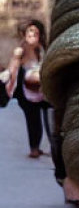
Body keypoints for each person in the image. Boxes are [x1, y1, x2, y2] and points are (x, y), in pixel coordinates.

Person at [5, 20, 51, 158]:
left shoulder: (43, 48)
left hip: (44, 89)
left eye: (36, 33)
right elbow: (13, 70)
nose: (33, 35)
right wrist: (9, 88)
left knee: (50, 120)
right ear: (25, 35)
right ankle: (34, 148)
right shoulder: (20, 50)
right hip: (27, 92)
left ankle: (54, 147)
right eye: (30, 32)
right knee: (33, 120)